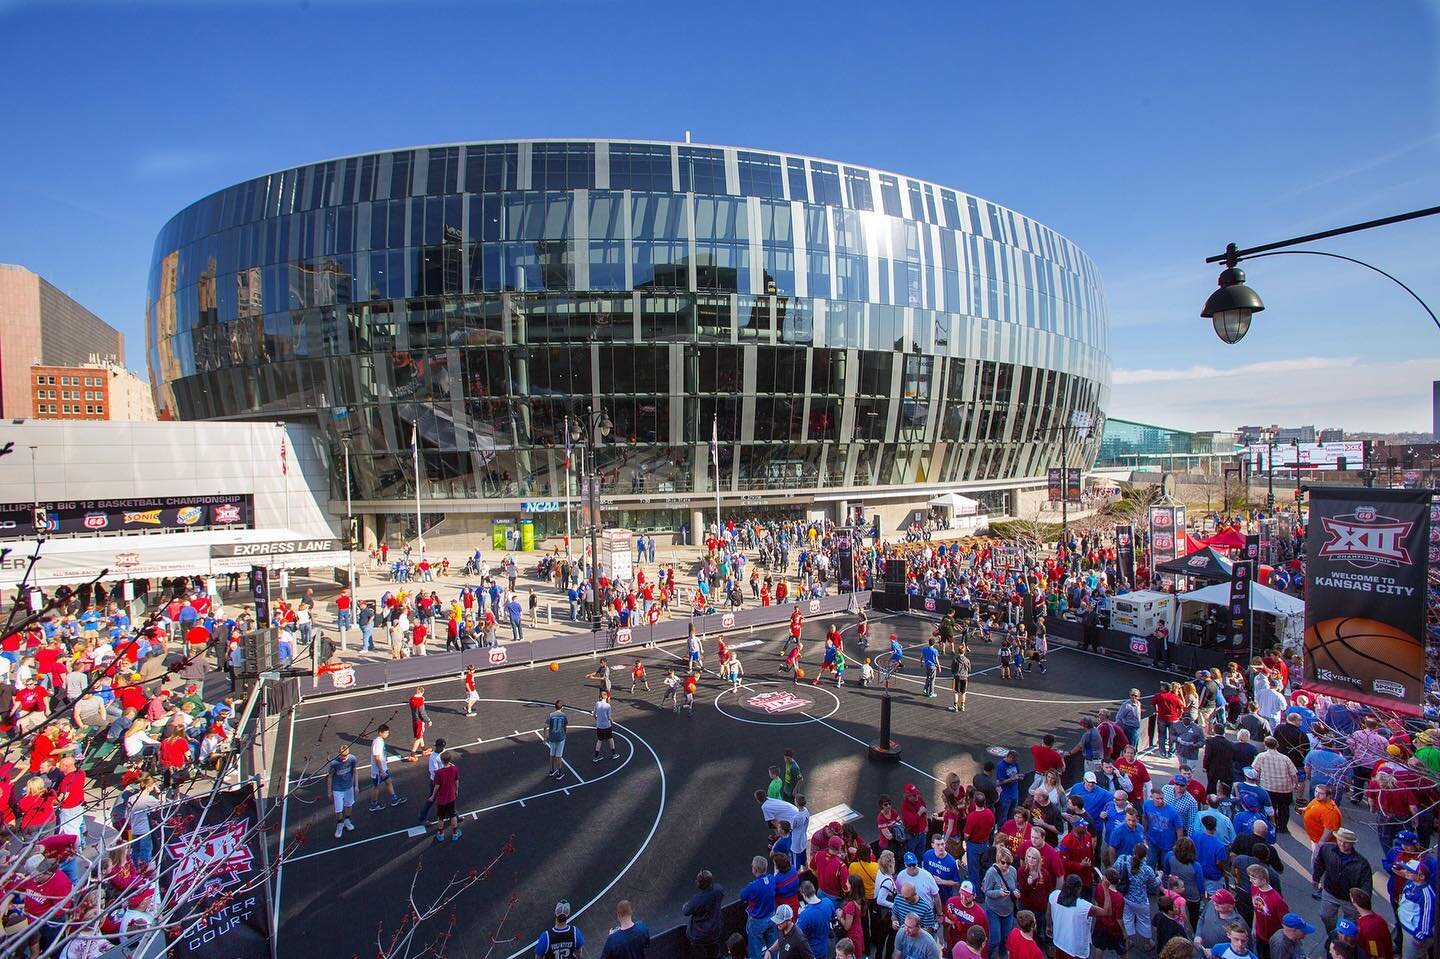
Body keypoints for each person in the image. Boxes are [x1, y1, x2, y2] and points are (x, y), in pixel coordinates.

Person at [1313, 827, 1370, 932]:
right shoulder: (1326, 849)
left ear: (1352, 843)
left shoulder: (1362, 863)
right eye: (1340, 840)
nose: (1342, 844)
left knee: (1351, 922)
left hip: (1349, 898)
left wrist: (1362, 903)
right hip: (1330, 891)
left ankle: (1344, 938)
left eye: (1346, 842)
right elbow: (1319, 863)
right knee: (1325, 916)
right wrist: (1315, 878)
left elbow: (1366, 884)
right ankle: (1333, 935)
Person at [1048, 874, 1112, 959]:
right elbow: (1107, 912)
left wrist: (1048, 926)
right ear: (1078, 889)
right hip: (1076, 950)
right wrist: (1106, 889)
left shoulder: (1054, 895)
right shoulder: (1084, 907)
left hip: (1058, 942)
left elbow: (1048, 912)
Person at [741, 855, 779, 959]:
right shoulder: (772, 879)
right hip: (772, 917)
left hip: (758, 921)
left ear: (755, 869)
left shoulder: (753, 886)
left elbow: (742, 895)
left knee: (754, 949)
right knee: (772, 947)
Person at [1397, 860, 1435, 959]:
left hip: (1413, 932)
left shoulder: (1426, 895)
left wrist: (1420, 936)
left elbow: (1427, 917)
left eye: (1410, 871)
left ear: (1421, 877)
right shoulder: (1411, 882)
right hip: (1406, 925)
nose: (1405, 872)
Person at [684, 871, 725, 959]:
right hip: (715, 930)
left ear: (702, 884)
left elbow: (686, 911)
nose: (696, 881)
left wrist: (687, 904)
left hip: (700, 935)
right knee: (714, 951)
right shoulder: (718, 890)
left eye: (698, 881)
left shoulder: (697, 900)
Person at [369, 724, 406, 811]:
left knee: (388, 782)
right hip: (378, 770)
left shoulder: (380, 741)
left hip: (382, 768)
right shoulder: (378, 743)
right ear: (380, 733)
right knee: (376, 786)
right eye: (386, 732)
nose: (387, 734)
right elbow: (377, 757)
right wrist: (382, 771)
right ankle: (374, 804)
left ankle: (394, 799)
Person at [327, 743, 359, 839]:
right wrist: (329, 791)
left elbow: (355, 771)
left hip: (349, 787)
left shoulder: (352, 759)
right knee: (339, 809)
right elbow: (330, 777)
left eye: (346, 755)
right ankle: (340, 824)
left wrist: (356, 786)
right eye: (342, 755)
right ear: (339, 754)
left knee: (349, 805)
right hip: (337, 789)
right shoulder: (334, 763)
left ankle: (347, 820)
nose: (344, 758)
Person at [796, 881, 835, 959]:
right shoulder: (828, 902)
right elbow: (833, 918)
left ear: (803, 894)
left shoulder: (805, 915)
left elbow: (797, 934)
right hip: (828, 947)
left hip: (813, 952)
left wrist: (799, 916)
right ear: (814, 890)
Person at [430, 750, 461, 841]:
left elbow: (436, 786)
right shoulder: (454, 769)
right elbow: (456, 781)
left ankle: (441, 834)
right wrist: (456, 791)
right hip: (451, 796)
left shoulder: (439, 773)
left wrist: (433, 795)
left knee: (441, 817)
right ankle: (455, 834)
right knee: (453, 815)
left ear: (442, 761)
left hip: (441, 799)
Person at [593, 691, 619, 762]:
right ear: (606, 697)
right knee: (610, 738)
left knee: (599, 740)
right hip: (607, 725)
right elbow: (609, 717)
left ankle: (596, 756)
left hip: (599, 725)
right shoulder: (608, 706)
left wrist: (596, 718)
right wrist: (612, 720)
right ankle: (614, 754)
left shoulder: (597, 704)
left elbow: (594, 714)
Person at [546, 701, 569, 780]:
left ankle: (551, 770)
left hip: (552, 737)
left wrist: (545, 737)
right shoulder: (564, 715)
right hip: (560, 737)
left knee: (552, 754)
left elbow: (545, 726)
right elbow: (565, 726)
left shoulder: (551, 715)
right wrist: (565, 734)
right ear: (562, 707)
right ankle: (559, 773)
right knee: (559, 756)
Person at [409, 686, 432, 759]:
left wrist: (422, 698)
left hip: (414, 720)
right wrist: (428, 720)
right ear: (422, 692)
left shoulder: (411, 699)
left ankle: (423, 748)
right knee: (418, 738)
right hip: (419, 721)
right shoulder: (420, 701)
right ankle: (412, 754)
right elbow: (422, 713)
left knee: (419, 735)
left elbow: (416, 699)